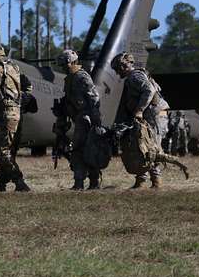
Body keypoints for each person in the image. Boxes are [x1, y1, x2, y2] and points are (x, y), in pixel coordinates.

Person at [111, 52, 169, 189]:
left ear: (123, 66)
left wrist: (140, 110)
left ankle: (156, 180)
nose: (117, 73)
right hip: (148, 116)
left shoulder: (135, 76)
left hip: (154, 115)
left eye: (117, 69)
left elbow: (149, 90)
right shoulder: (132, 78)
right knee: (140, 146)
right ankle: (142, 179)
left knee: (151, 146)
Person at [0, 44, 31, 192]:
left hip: (5, 112)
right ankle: (2, 183)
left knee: (2, 150)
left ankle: (19, 181)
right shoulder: (13, 67)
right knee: (10, 148)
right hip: (16, 111)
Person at [54, 50, 103, 190]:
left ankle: (81, 182)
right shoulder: (70, 78)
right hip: (78, 117)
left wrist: (96, 122)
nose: (63, 67)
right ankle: (90, 182)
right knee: (83, 150)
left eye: (66, 64)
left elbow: (94, 99)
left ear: (74, 62)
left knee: (81, 150)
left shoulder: (82, 77)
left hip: (85, 118)